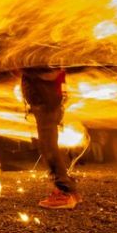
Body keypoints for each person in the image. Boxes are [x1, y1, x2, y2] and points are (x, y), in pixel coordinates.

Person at [21, 67, 82, 209]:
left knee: (48, 148)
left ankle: (64, 193)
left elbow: (50, 73)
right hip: (46, 100)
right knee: (50, 146)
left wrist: (30, 71)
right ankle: (70, 191)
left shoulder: (41, 58)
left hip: (45, 100)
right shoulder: (45, 54)